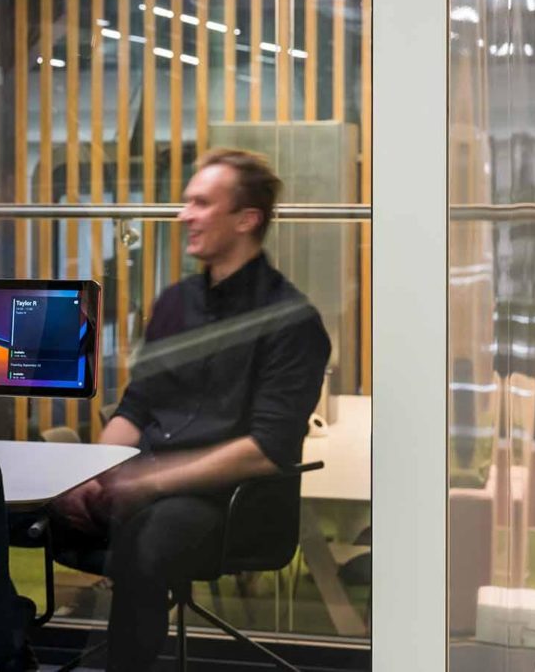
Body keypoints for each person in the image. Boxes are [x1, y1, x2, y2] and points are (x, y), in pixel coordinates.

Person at [49, 148, 331, 672]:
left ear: (246, 219)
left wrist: (149, 483)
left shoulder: (293, 321)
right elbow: (138, 404)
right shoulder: (176, 302)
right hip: (145, 481)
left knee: (148, 536)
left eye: (201, 203)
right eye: (187, 202)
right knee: (5, 506)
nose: (185, 216)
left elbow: (266, 450)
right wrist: (89, 474)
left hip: (232, 503)